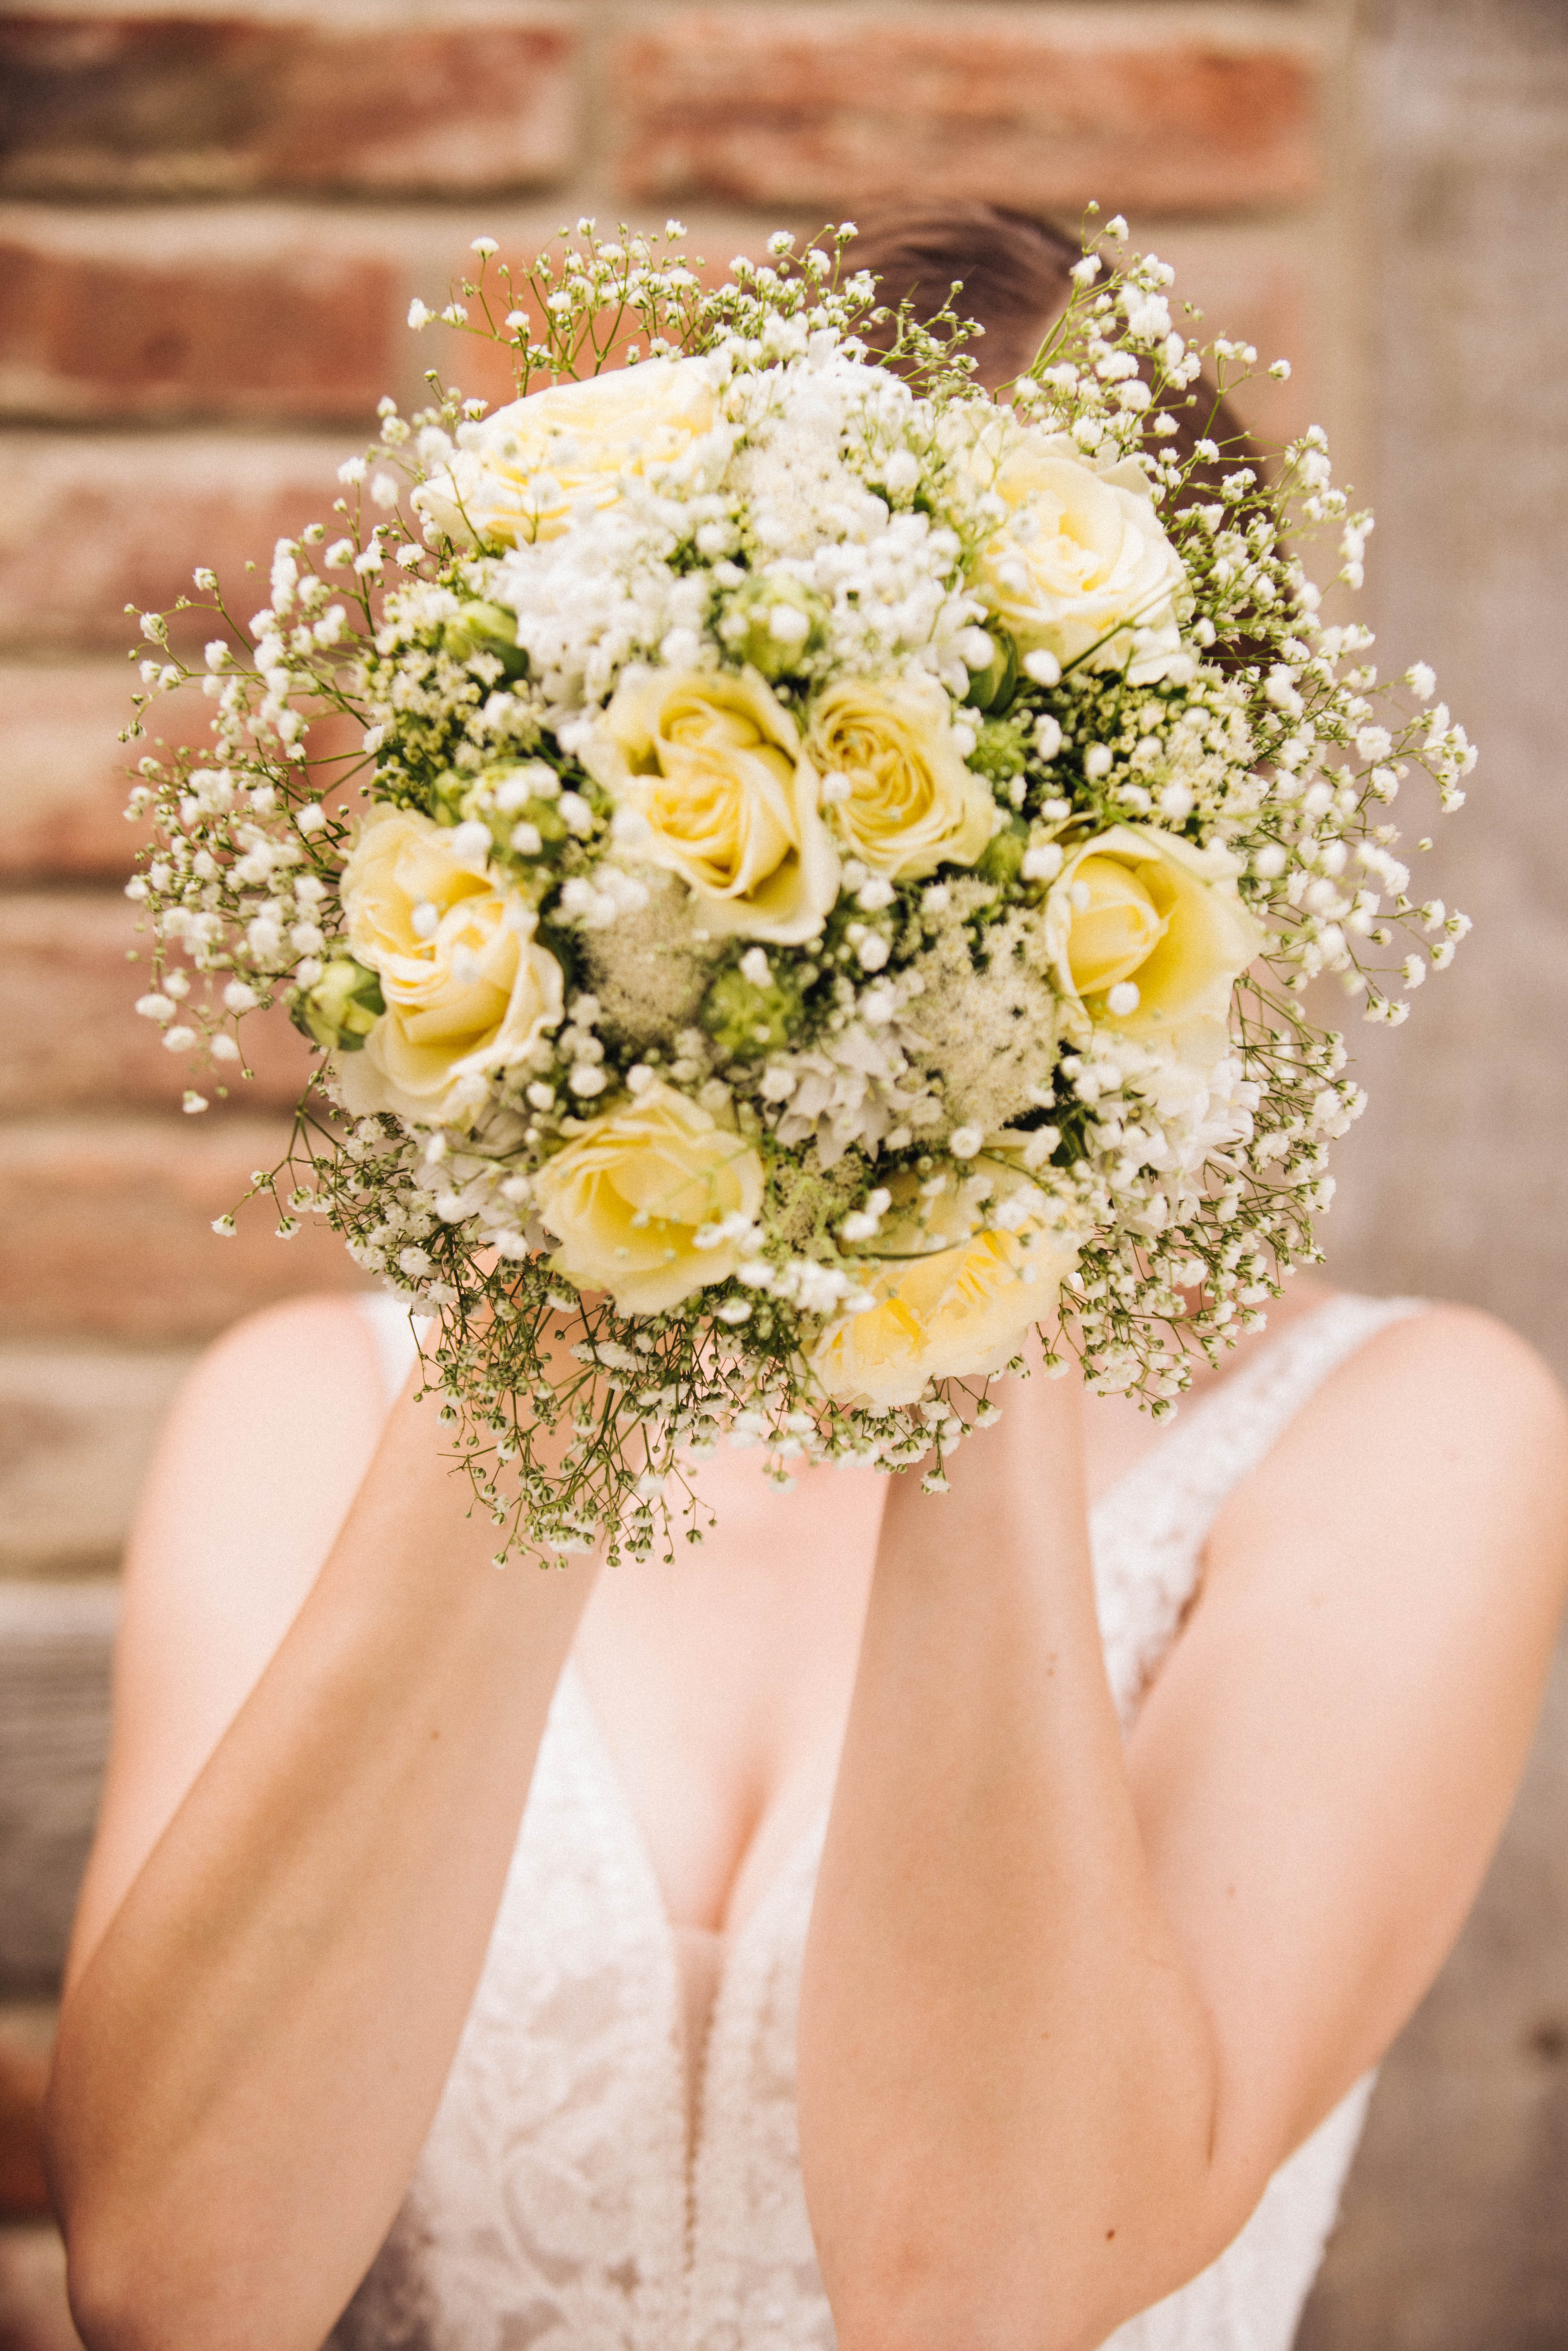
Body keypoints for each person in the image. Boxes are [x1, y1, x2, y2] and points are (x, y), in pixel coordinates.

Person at [42, 209, 1568, 2351]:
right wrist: (573, 1170)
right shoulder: (303, 1415)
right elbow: (183, 2292)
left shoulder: (1408, 1445)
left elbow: (989, 2284)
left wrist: (990, 1164)